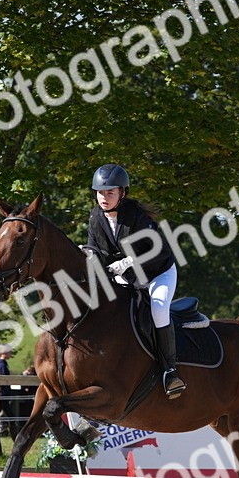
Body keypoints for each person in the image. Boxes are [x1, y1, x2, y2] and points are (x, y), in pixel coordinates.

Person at [85, 163, 185, 398]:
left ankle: (170, 371)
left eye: (110, 193)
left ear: (122, 193)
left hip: (158, 273)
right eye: (100, 192)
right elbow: (94, 248)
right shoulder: (95, 217)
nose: (104, 198)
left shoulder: (137, 217)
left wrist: (128, 261)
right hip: (127, 278)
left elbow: (157, 249)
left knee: (158, 310)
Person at [0, 346, 21, 441]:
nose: (11, 354)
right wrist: (8, 395)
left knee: (9, 417)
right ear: (3, 353)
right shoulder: (1, 365)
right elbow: (4, 381)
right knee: (11, 418)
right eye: (9, 352)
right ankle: (16, 439)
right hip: (2, 395)